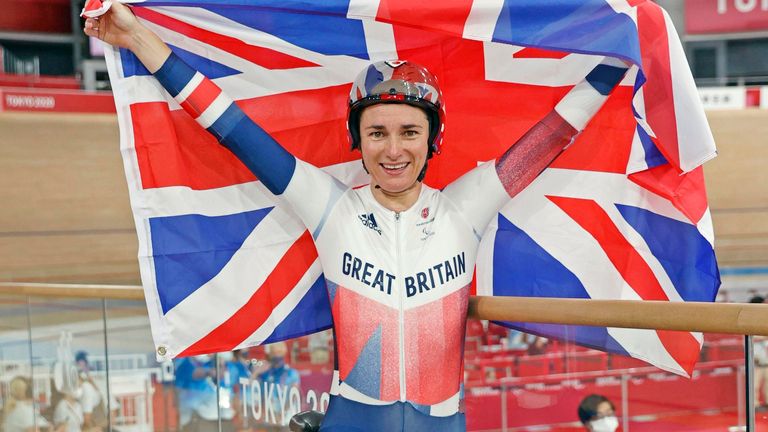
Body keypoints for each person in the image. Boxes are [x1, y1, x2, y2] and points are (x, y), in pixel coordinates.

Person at [84, 4, 627, 430]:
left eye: (410, 132)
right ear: (358, 141)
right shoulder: (330, 205)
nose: (393, 149)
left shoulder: (466, 206)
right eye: (377, 133)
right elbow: (230, 126)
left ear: (432, 139)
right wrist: (135, 37)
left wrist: (626, 47)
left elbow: (553, 133)